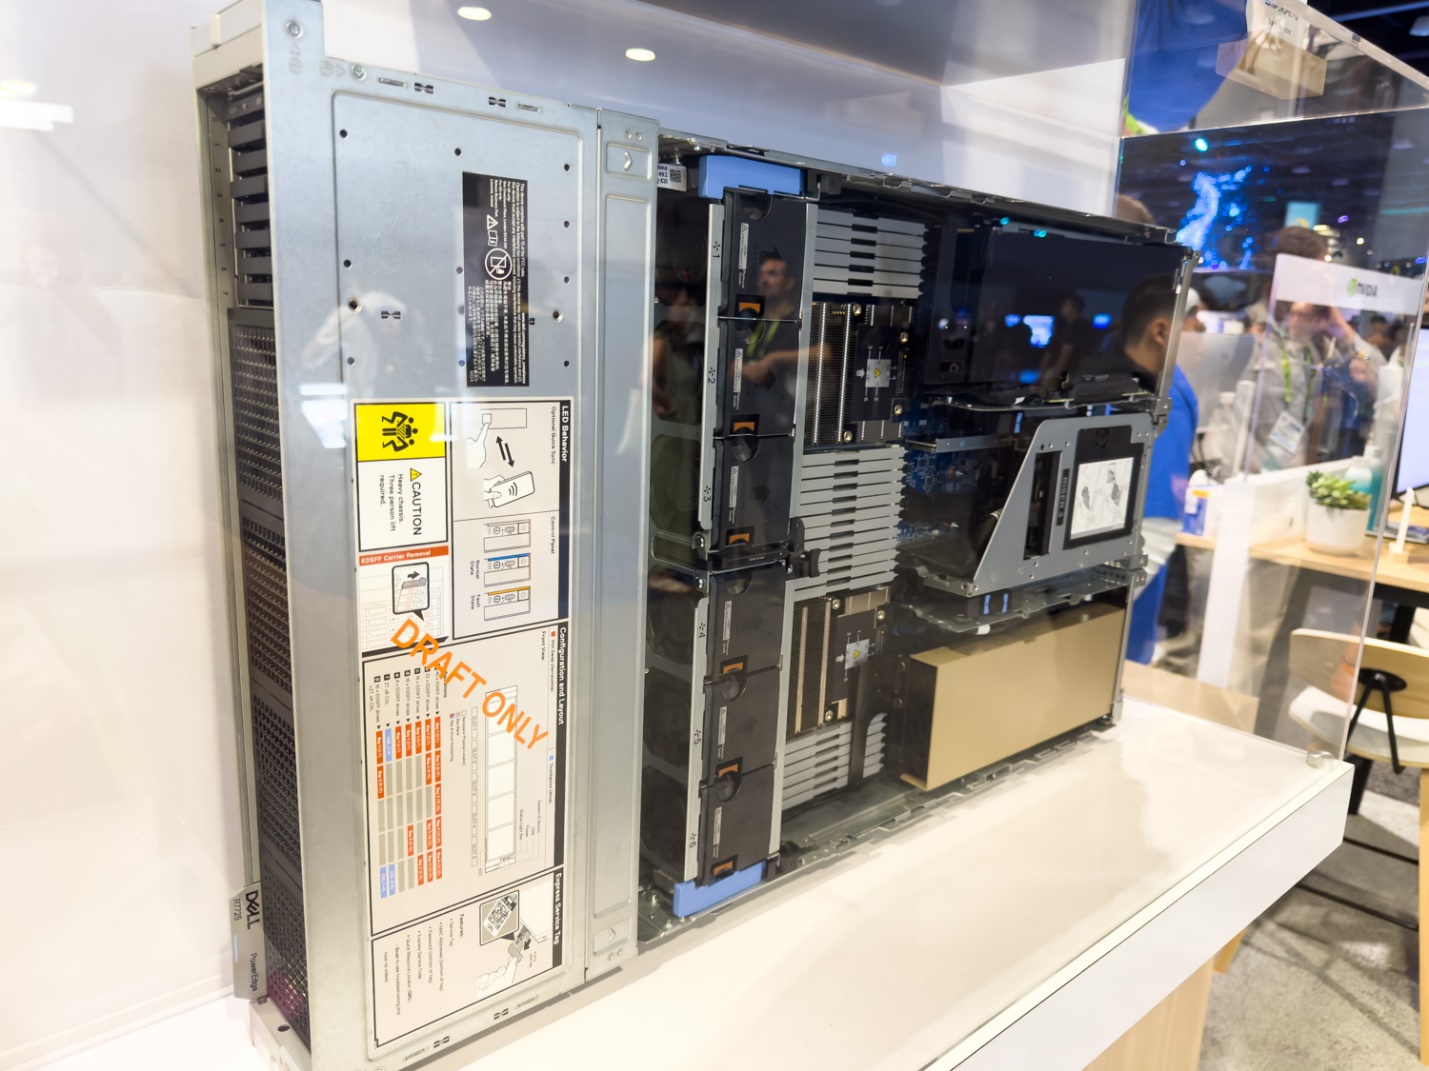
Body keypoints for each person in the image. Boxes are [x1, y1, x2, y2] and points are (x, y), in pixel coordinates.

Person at [1117, 276, 1199, 663]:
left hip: (1113, 632)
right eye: (1193, 327)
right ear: (1161, 331)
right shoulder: (1130, 387)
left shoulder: (1165, 403)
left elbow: (1158, 528)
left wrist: (1094, 605)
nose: (1199, 341)